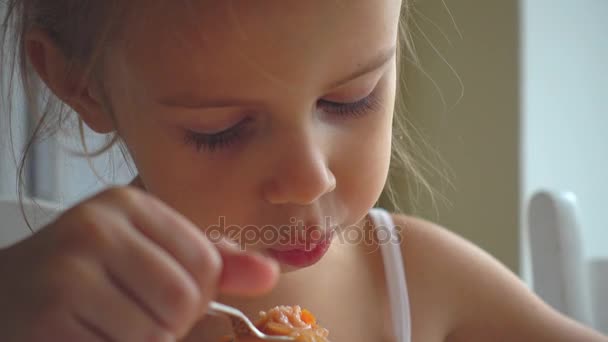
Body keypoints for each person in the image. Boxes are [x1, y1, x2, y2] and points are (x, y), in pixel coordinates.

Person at [0, 1, 606, 341]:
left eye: (352, 98)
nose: (310, 179)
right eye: (222, 131)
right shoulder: (54, 313)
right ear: (80, 86)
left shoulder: (421, 286)